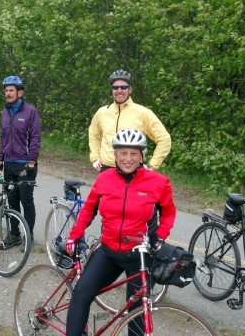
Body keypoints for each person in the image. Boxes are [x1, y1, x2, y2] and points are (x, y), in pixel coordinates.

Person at [65, 128, 177, 336]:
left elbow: (169, 213)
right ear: (115, 155)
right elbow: (89, 209)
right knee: (81, 294)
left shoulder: (158, 183)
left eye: (134, 153)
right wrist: (74, 235)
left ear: (142, 156)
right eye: (123, 153)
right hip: (108, 252)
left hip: (140, 256)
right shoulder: (104, 179)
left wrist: (160, 236)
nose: (128, 158)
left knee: (136, 311)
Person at [89, 69, 171, 172]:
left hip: (132, 170)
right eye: (115, 87)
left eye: (123, 87)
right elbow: (94, 136)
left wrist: (152, 165)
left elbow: (164, 139)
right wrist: (95, 158)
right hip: (107, 169)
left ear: (130, 89)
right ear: (112, 90)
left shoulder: (143, 113)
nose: (119, 90)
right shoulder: (102, 112)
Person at [0, 75, 41, 250]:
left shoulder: (31, 112)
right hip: (9, 164)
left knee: (26, 200)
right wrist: (0, 158)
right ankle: (14, 235)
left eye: (11, 90)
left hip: (25, 165)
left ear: (20, 92)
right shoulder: (4, 113)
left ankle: (28, 236)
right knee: (12, 201)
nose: (8, 93)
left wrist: (32, 160)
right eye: (6, 90)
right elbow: (3, 137)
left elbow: (35, 137)